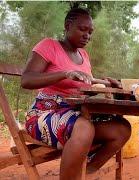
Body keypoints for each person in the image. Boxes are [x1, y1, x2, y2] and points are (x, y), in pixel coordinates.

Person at [21, 8, 131, 179]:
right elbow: (26, 80)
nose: (87, 35)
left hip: (77, 113)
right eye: (82, 29)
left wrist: (108, 84)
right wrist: (64, 73)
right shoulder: (49, 46)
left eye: (90, 32)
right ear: (67, 26)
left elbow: (85, 85)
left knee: (122, 129)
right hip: (44, 112)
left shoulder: (84, 55)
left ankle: (84, 172)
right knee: (84, 129)